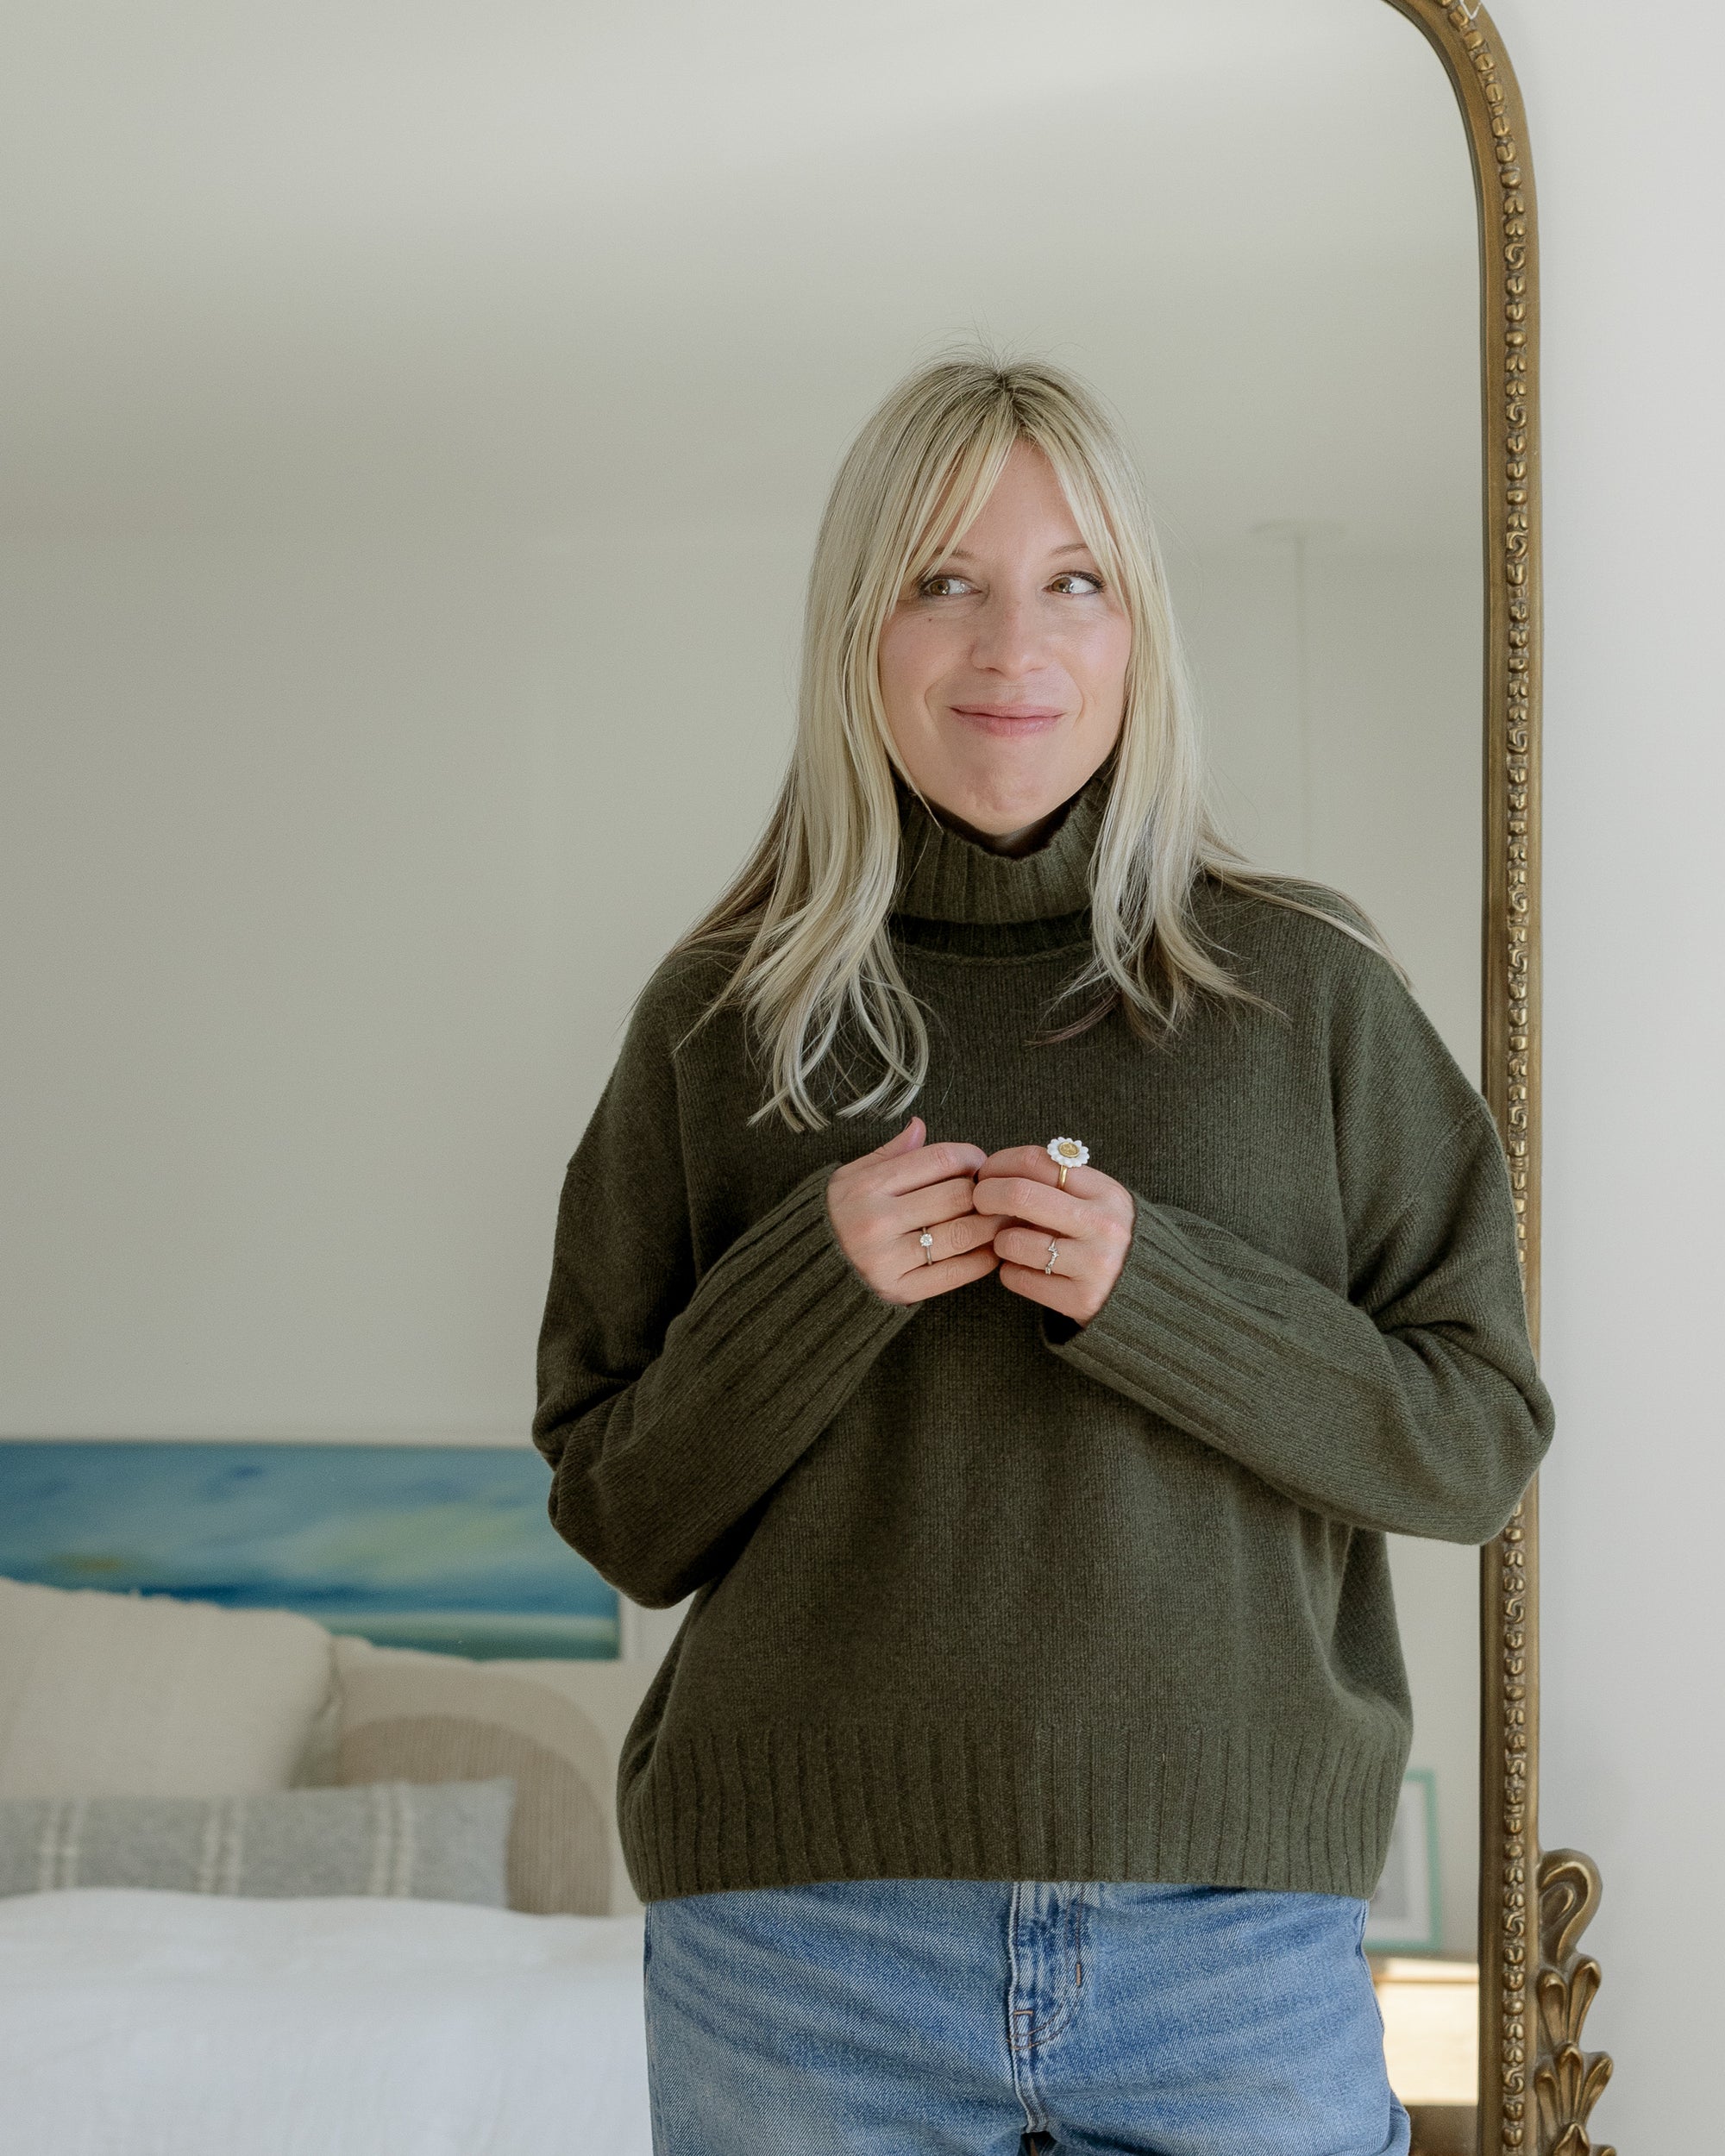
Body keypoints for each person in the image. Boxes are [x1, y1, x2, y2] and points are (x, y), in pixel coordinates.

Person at [530, 355, 1552, 2156]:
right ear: (861, 626)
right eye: (943, 580)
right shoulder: (718, 1019)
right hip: (798, 1944)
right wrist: (809, 1284)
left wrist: (1159, 1294)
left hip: (1227, 1940)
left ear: (1138, 626)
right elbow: (620, 1507)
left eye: (1071, 580)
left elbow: (1471, 1443)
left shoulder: (1309, 993)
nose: (1013, 644)